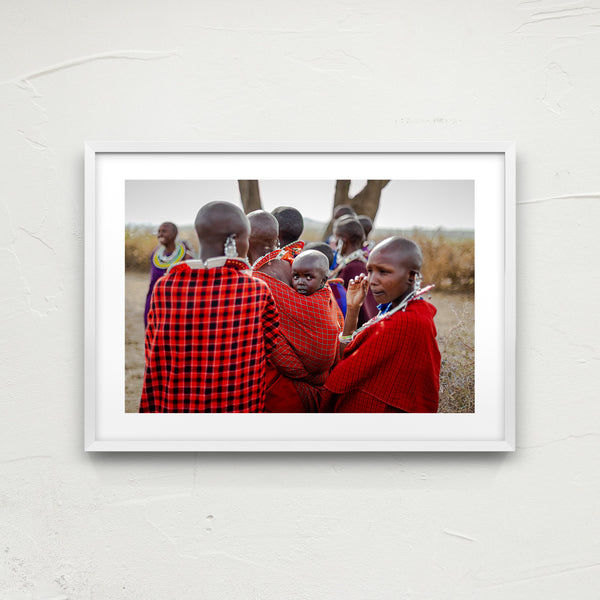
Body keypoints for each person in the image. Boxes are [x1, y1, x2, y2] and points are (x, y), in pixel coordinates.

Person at [140, 202, 310, 413]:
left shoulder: (165, 287)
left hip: (177, 404)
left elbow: (152, 349)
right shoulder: (255, 290)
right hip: (234, 405)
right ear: (235, 240)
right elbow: (270, 345)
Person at [320, 237, 441, 413]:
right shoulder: (392, 310)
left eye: (383, 272)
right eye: (370, 271)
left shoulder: (408, 322)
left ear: (412, 277)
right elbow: (346, 355)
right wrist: (353, 308)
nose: (373, 280)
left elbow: (343, 370)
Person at [252, 247, 343, 412]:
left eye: (309, 277)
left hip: (310, 379)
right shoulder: (289, 296)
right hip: (307, 383)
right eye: (296, 277)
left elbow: (332, 331)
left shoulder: (324, 299)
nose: (301, 282)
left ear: (324, 281)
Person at [330, 215, 377, 326]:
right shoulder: (359, 263)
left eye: (336, 240)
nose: (335, 244)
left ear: (342, 241)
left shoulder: (352, 268)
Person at [143, 222, 192, 328]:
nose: (160, 234)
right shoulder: (155, 254)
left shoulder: (186, 256)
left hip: (174, 302)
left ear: (175, 234)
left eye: (164, 231)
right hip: (153, 299)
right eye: (159, 231)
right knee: (151, 329)